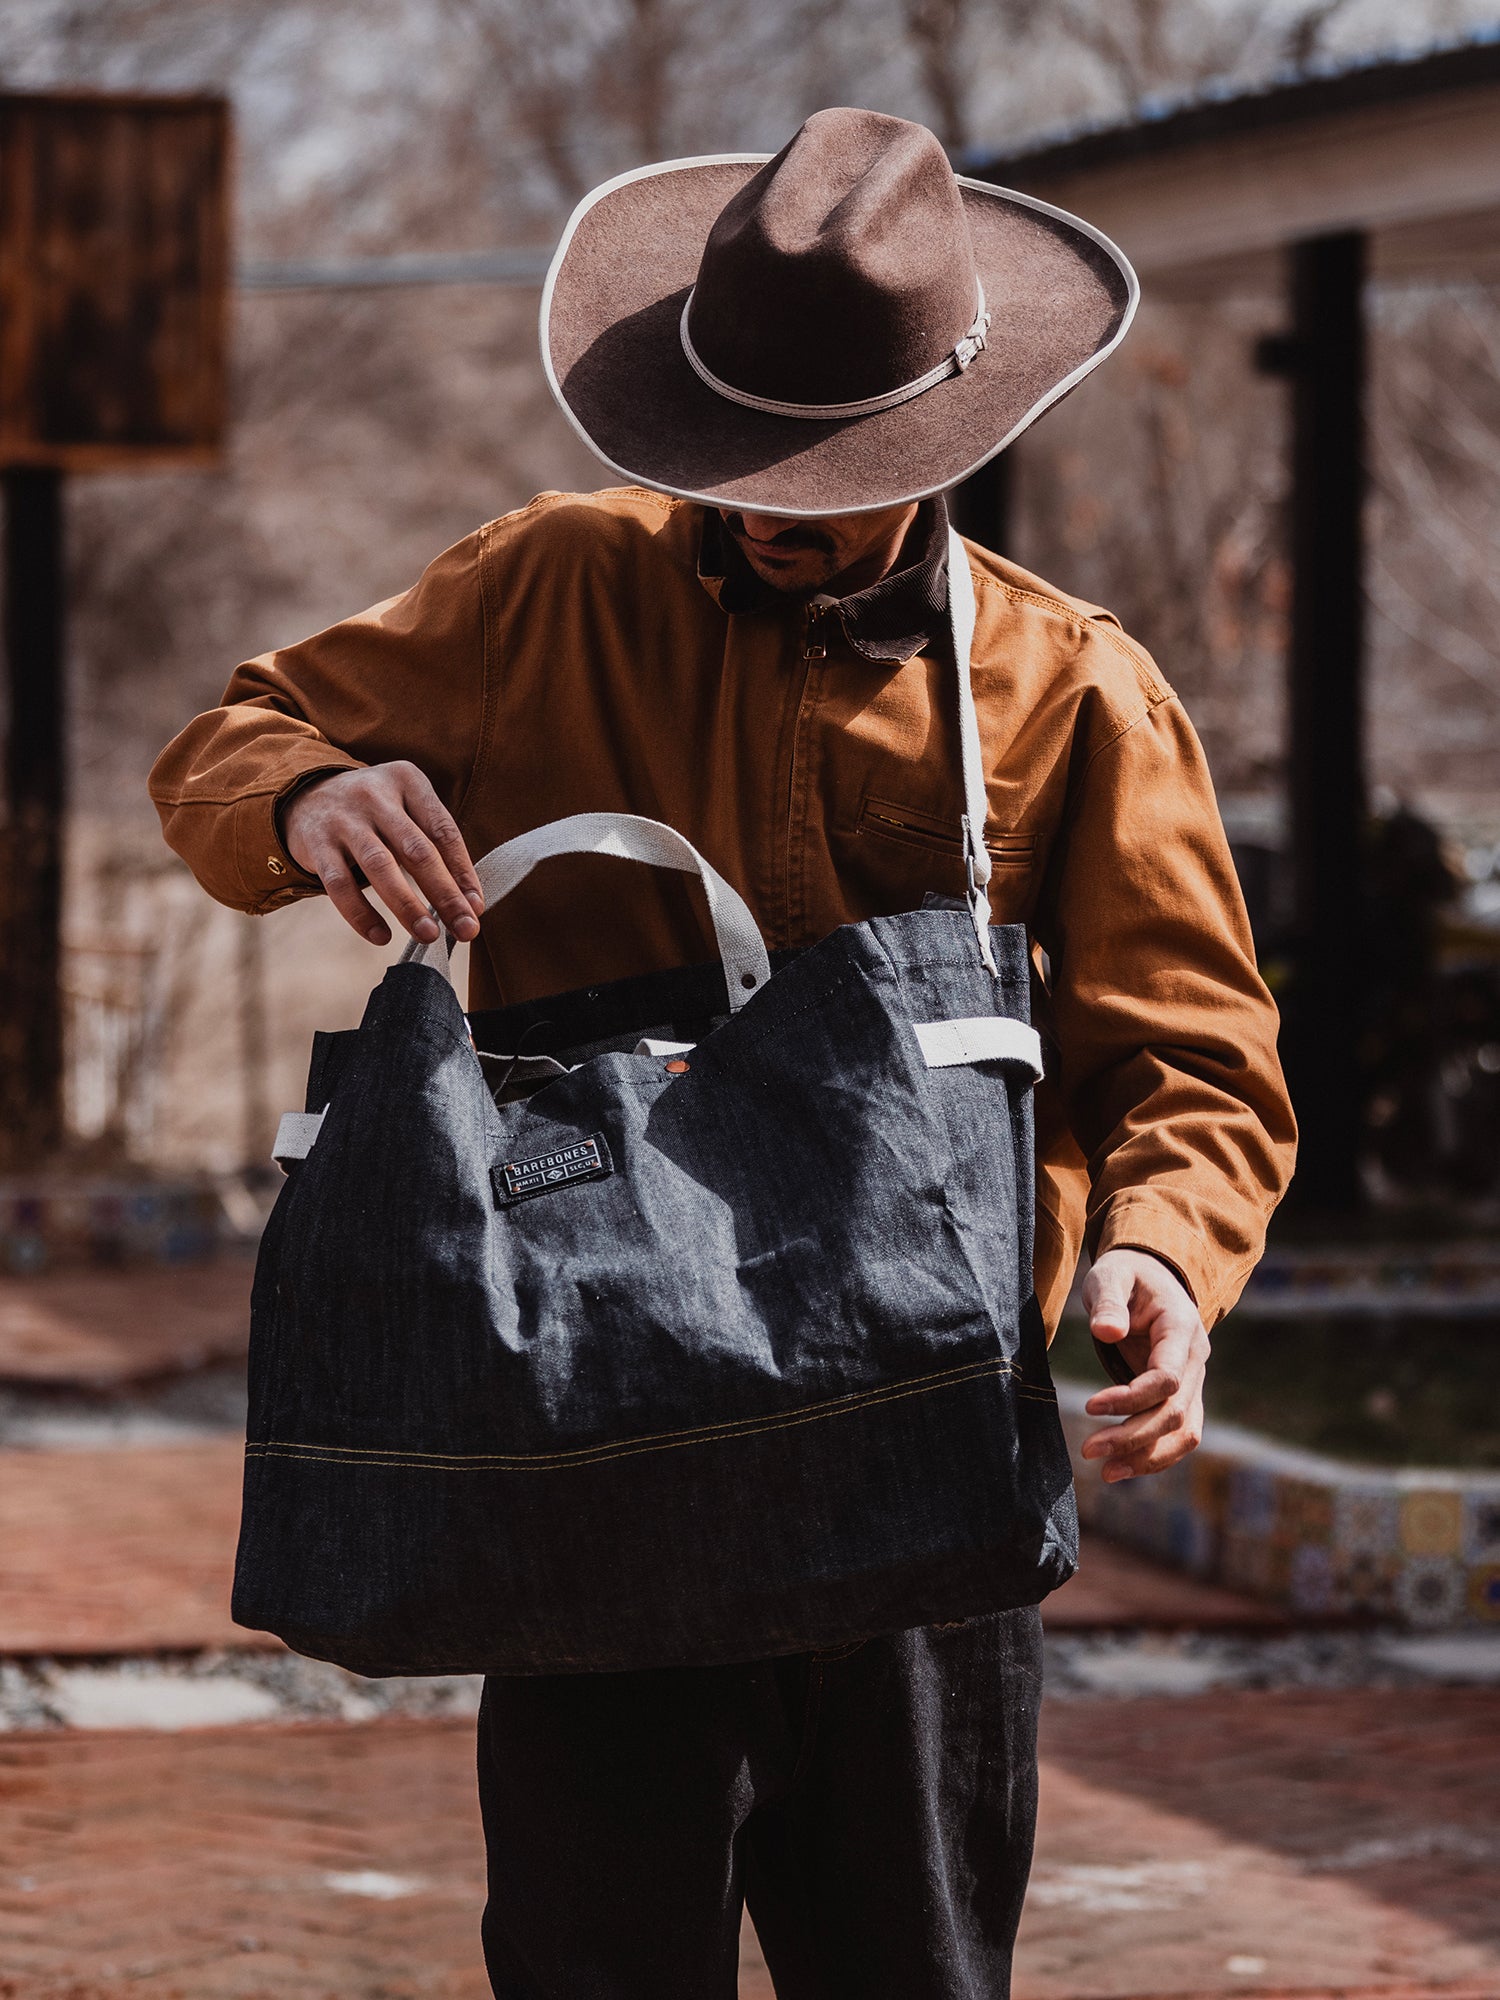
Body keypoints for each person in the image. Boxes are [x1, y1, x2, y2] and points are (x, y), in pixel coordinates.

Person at [151, 107, 1295, 2000]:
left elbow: (1193, 1057)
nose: (770, 500)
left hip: (923, 1480)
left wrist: (1166, 1254)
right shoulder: (540, 587)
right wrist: (308, 796)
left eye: (826, 468)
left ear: (942, 443)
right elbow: (225, 744)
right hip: (586, 1455)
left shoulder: (1070, 684)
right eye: (737, 447)